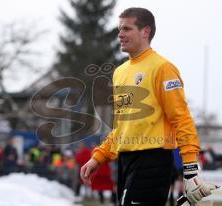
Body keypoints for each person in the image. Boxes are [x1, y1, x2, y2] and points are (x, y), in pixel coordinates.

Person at [80, 7, 219, 206]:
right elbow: (122, 128)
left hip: (152, 161)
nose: (120, 34)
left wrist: (190, 169)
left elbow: (181, 119)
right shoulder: (119, 72)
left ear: (145, 31)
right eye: (119, 29)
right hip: (125, 161)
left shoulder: (163, 68)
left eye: (127, 29)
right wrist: (98, 158)